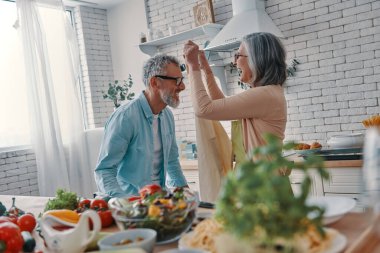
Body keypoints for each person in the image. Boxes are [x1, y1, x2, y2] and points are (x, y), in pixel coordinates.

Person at [95, 54, 188, 197]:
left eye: (181, 80)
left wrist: (185, 194)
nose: (182, 86)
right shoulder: (125, 117)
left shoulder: (167, 116)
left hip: (159, 202)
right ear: (155, 82)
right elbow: (104, 170)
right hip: (132, 203)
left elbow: (172, 161)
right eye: (176, 81)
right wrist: (126, 205)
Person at [183, 32, 288, 157]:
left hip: (264, 176)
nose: (234, 62)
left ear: (256, 59)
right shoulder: (269, 93)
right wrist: (206, 70)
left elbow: (203, 109)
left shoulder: (264, 95)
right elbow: (220, 103)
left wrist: (193, 66)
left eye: (238, 55)